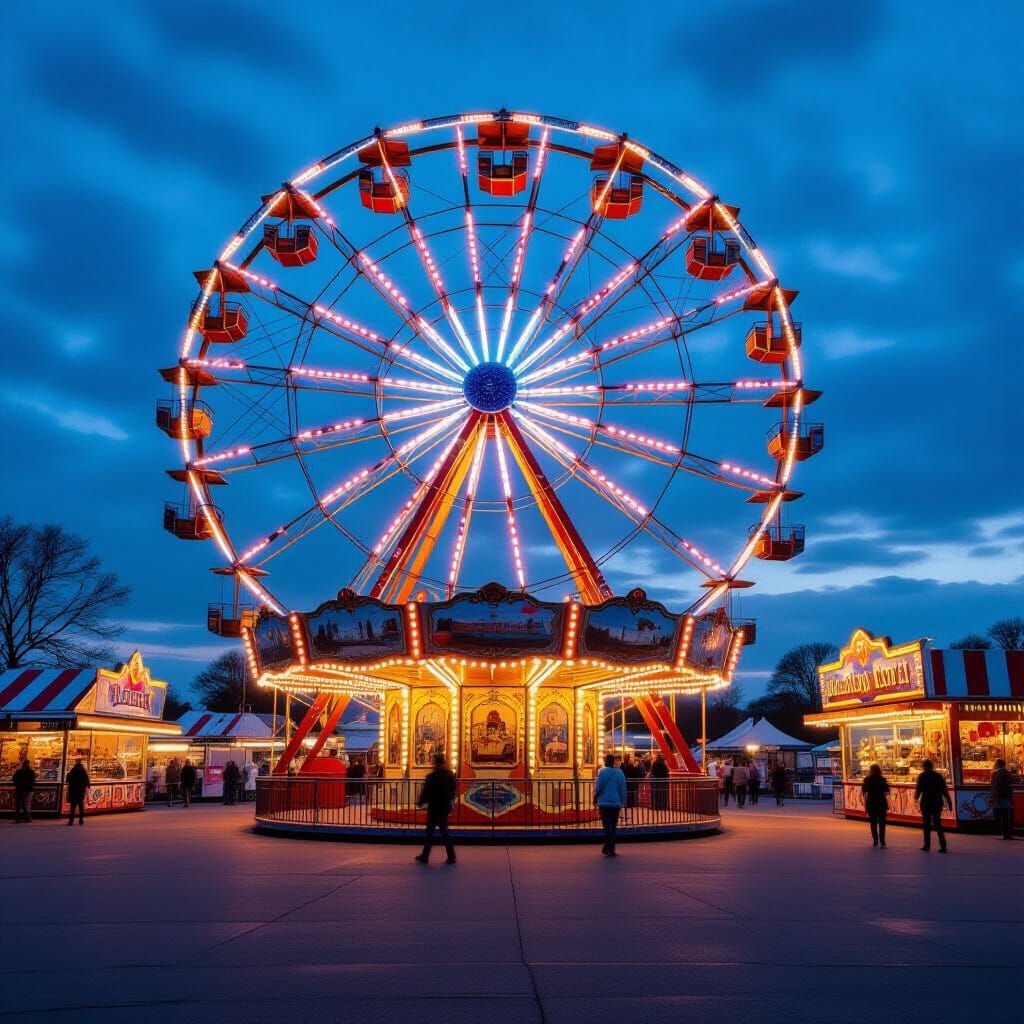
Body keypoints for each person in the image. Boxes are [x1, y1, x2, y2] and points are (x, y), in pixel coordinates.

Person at [414, 752, 457, 864]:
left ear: (435, 763)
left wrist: (420, 802)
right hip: (444, 806)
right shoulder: (449, 775)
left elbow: (426, 792)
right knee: (444, 831)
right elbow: (453, 789)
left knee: (430, 832)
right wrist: (450, 798)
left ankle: (425, 856)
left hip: (434, 807)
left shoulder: (432, 777)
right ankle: (451, 856)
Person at [594, 752, 628, 856]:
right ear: (613, 762)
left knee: (606, 826)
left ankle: (607, 846)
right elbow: (623, 788)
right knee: (613, 826)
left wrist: (595, 798)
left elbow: (598, 787)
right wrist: (623, 800)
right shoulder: (620, 773)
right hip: (615, 803)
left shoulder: (602, 772)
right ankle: (611, 847)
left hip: (604, 803)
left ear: (605, 761)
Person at [915, 759, 952, 853]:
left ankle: (927, 845)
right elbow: (944, 790)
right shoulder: (938, 776)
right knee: (937, 823)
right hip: (937, 801)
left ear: (924, 766)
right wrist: (949, 801)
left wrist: (916, 797)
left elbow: (919, 789)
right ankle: (943, 845)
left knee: (926, 824)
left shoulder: (922, 776)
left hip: (926, 801)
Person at [861, 763, 890, 847]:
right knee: (882, 823)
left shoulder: (867, 779)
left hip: (871, 802)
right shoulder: (882, 779)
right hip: (881, 802)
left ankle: (875, 840)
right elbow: (886, 791)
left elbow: (864, 791)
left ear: (871, 770)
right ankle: (883, 841)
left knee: (873, 822)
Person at [989, 758, 1015, 840]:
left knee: (998, 814)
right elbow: (1012, 782)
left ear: (997, 764)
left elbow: (994, 785)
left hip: (998, 796)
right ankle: (1007, 833)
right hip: (1007, 796)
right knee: (1006, 815)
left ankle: (1001, 831)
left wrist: (992, 796)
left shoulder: (994, 773)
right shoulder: (1008, 773)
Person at [65, 758, 90, 826]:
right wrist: (86, 787)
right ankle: (81, 819)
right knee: (81, 806)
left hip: (73, 791)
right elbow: (86, 781)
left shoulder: (73, 770)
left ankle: (71, 821)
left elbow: (68, 779)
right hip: (80, 791)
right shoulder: (83, 771)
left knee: (73, 807)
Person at [12, 759, 36, 823]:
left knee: (18, 804)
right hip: (28, 790)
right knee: (24, 804)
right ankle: (27, 818)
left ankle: (18, 818)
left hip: (19, 789)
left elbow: (14, 779)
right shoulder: (31, 772)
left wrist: (17, 785)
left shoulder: (19, 771)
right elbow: (33, 781)